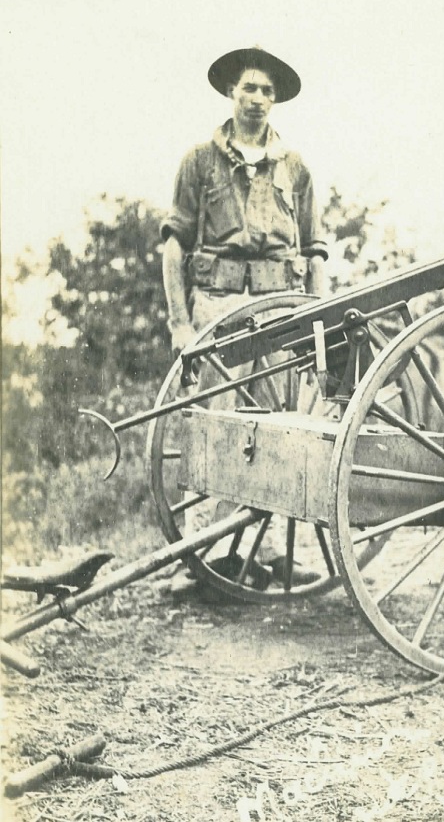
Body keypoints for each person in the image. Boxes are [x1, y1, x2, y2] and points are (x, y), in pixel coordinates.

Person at [160, 46, 327, 589]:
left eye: (267, 91)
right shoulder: (199, 161)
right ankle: (199, 557)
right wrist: (181, 325)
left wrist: (317, 318)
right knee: (213, 427)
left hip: (279, 313)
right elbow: (173, 248)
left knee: (278, 431)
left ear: (276, 101)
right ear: (231, 92)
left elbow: (316, 251)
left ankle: (272, 553)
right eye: (248, 88)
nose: (257, 99)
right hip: (218, 310)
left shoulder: (295, 168)